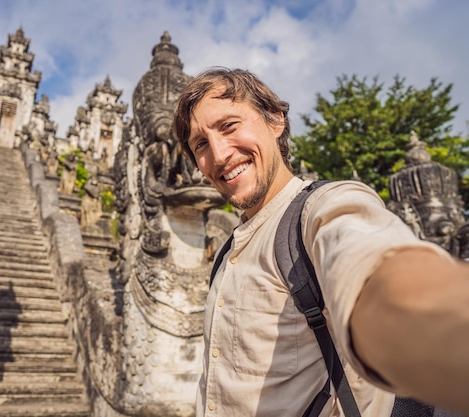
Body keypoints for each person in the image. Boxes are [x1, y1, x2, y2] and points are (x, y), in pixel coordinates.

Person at [172, 67, 469, 417]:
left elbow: (377, 275)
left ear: (275, 119)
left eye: (229, 126)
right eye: (201, 144)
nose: (219, 155)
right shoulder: (227, 250)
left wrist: (435, 325)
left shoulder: (323, 210)